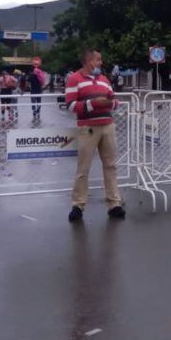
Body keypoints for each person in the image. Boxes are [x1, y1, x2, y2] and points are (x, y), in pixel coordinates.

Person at [65, 49, 125, 222]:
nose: (101, 63)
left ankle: (114, 204)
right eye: (98, 59)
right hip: (88, 128)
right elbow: (70, 105)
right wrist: (93, 103)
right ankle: (78, 205)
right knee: (83, 168)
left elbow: (113, 100)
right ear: (89, 61)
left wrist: (111, 103)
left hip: (108, 126)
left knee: (110, 166)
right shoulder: (74, 79)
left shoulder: (104, 79)